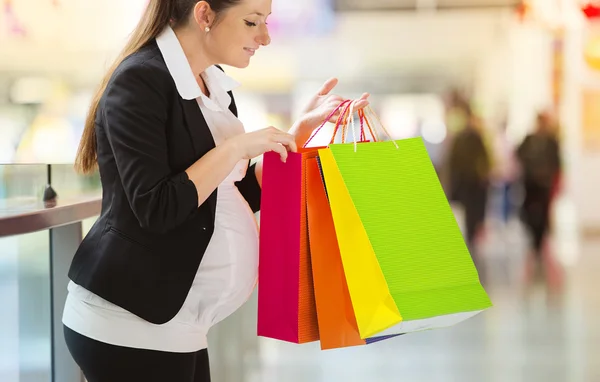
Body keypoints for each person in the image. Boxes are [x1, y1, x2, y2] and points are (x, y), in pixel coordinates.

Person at [61, 1, 369, 381]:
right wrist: (235, 148)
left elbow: (227, 194)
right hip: (131, 323)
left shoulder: (212, 84)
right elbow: (156, 207)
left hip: (182, 327)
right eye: (252, 22)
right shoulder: (139, 81)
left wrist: (294, 139)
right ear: (205, 15)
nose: (265, 37)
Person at [516, 111, 561, 265]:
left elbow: (557, 163)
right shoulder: (529, 140)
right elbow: (519, 154)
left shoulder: (551, 141)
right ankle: (532, 236)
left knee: (543, 214)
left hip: (544, 184)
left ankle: (539, 241)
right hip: (530, 184)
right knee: (528, 211)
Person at [447, 113, 491, 253]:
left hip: (470, 184)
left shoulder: (467, 139)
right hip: (469, 184)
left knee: (469, 214)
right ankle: (469, 238)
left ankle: (468, 238)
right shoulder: (468, 139)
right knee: (469, 213)